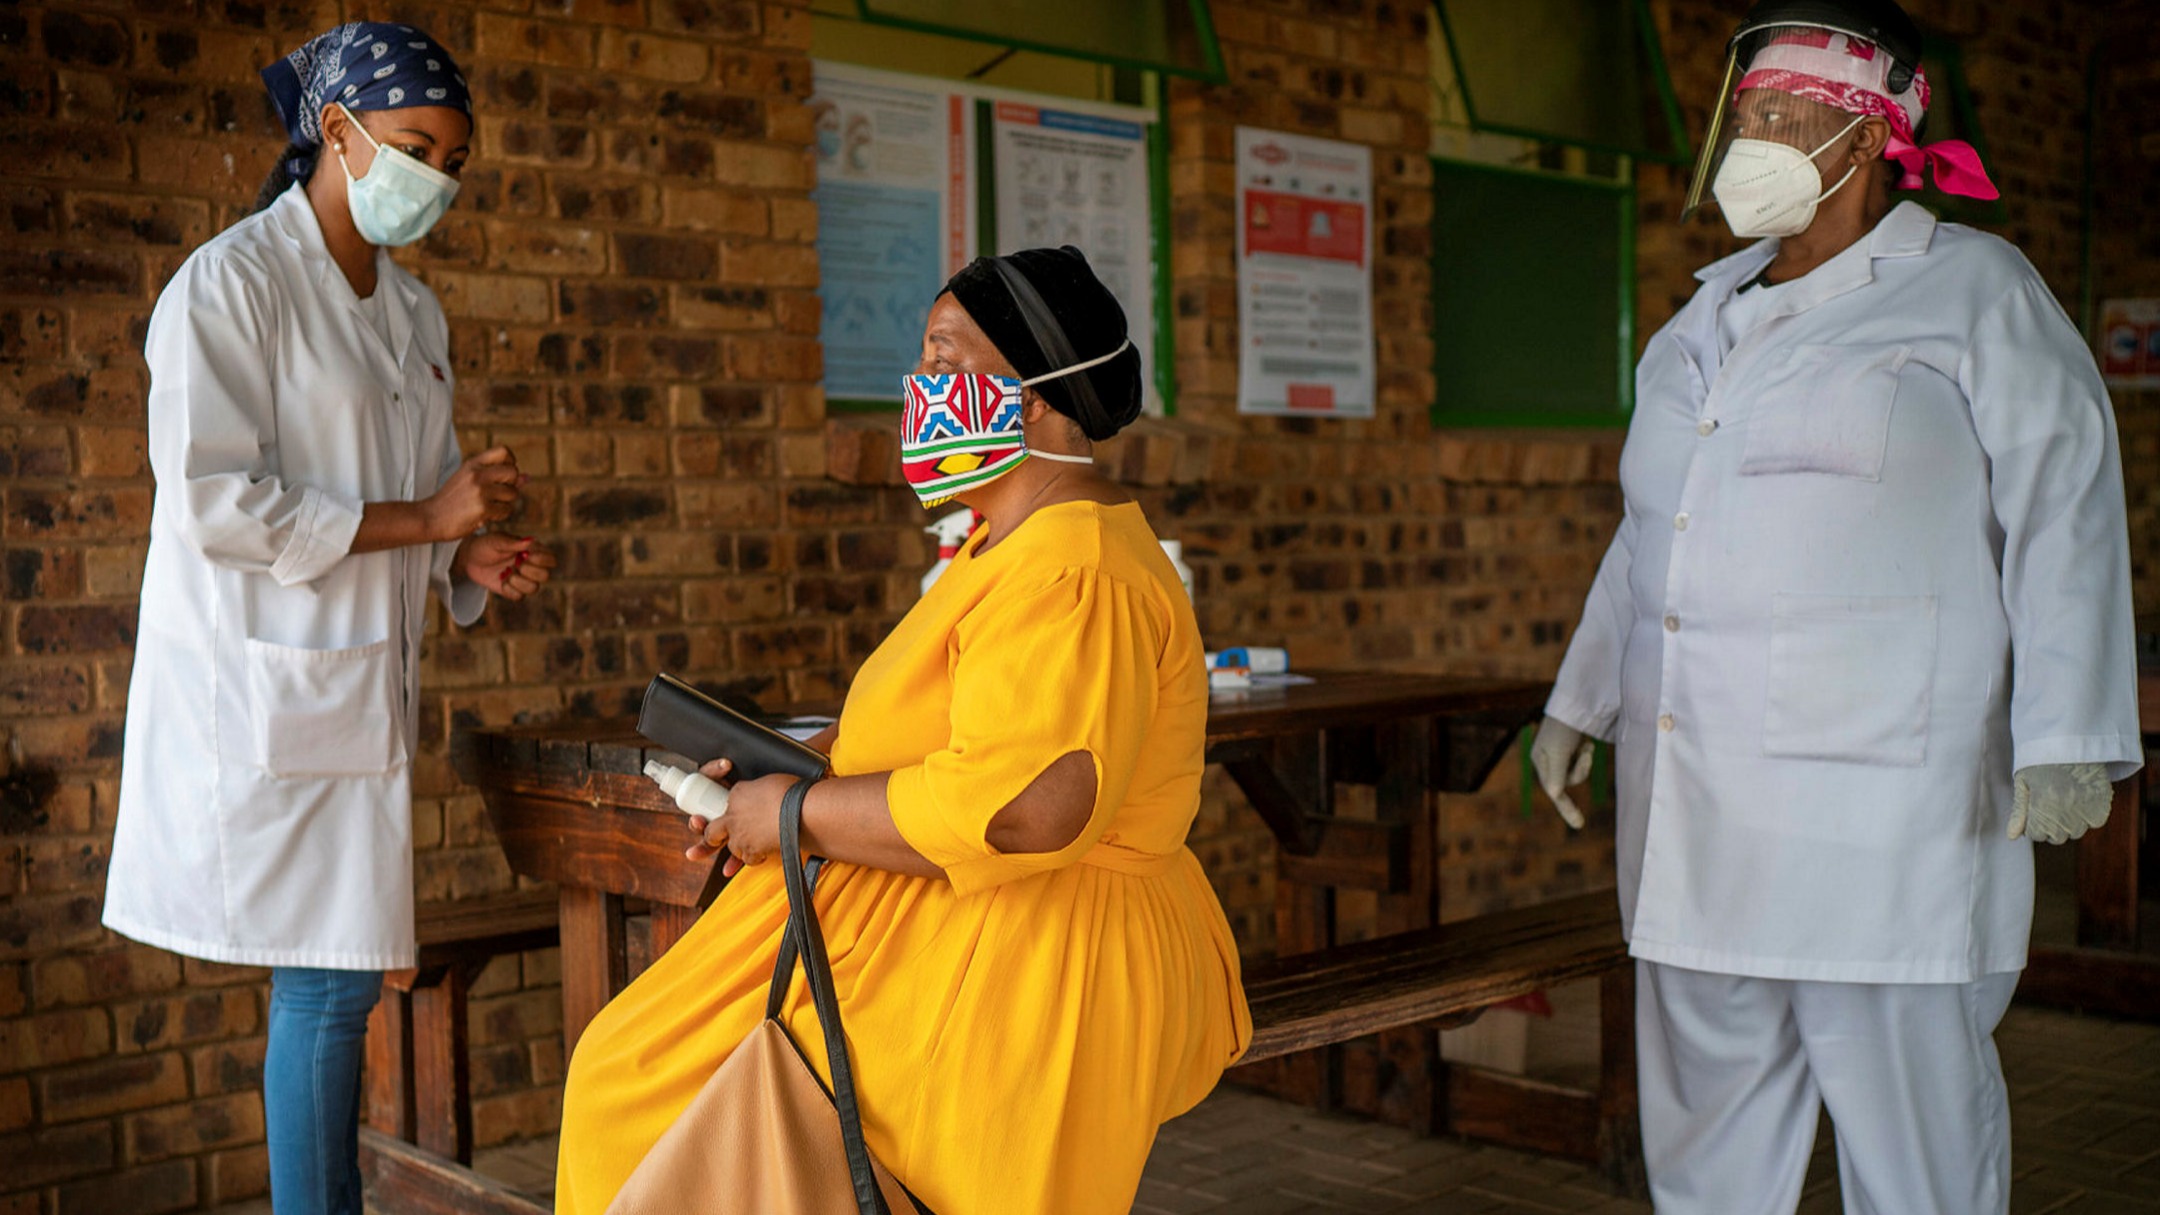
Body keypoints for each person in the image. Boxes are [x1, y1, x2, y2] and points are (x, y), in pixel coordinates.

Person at [1531, 1, 2141, 1212]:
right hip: (1695, 818)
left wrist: (2069, 735)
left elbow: (2066, 507)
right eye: (1744, 112)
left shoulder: (1972, 291)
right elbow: (1654, 533)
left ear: (1864, 142)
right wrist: (1581, 703)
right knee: (1705, 1141)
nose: (1748, 137)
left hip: (1884, 822)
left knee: (1913, 1149)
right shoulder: (1694, 324)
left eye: (1782, 114)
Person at [554, 247, 1251, 1214]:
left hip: (1029, 952)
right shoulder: (1003, 546)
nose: (920, 388)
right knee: (632, 1081)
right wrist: (774, 792)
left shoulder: (1076, 572)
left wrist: (799, 811)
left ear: (1035, 397)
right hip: (942, 913)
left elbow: (1026, 808)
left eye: (943, 356)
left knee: (654, 1099)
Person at [100, 23, 555, 1215]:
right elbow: (214, 504)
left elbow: (431, 502)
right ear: (336, 133)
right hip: (272, 687)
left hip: (352, 692)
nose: (437, 181)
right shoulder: (231, 284)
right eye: (416, 147)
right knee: (329, 984)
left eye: (454, 159)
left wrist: (472, 552)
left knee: (338, 979)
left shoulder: (412, 315)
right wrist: (428, 516)